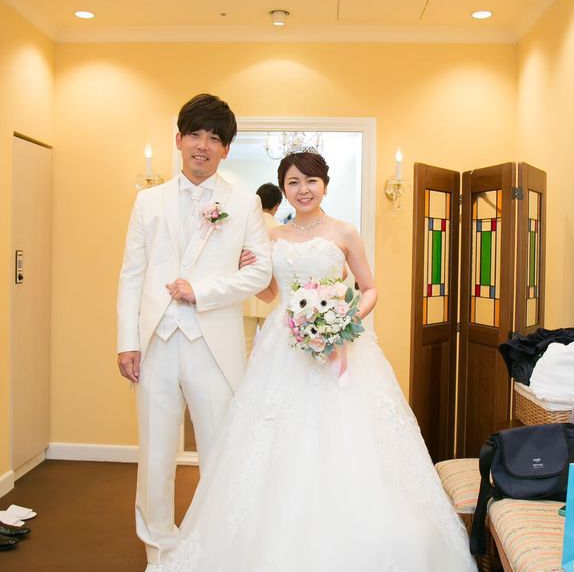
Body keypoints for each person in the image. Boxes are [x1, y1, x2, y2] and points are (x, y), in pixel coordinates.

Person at [161, 150, 477, 571]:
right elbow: (270, 295)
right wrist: (243, 266)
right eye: (293, 182)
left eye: (310, 181)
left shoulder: (344, 231)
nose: (303, 189)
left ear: (324, 184)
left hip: (339, 346)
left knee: (349, 435)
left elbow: (369, 288)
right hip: (283, 346)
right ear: (284, 189)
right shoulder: (272, 237)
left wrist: (343, 318)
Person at [116, 93, 272, 570]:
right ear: (178, 139)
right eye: (195, 135)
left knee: (220, 454)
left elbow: (260, 274)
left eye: (214, 138)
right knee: (155, 456)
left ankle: (216, 549)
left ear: (226, 149)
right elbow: (131, 275)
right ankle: (160, 551)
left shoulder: (243, 203)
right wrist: (127, 342)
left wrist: (200, 290)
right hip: (155, 344)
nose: (203, 145)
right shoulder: (148, 201)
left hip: (214, 346)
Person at [242, 182, 282, 357]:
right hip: (271, 295)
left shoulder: (245, 226)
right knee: (269, 350)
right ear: (277, 206)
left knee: (244, 348)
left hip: (245, 294)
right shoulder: (280, 229)